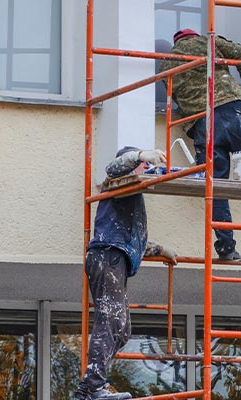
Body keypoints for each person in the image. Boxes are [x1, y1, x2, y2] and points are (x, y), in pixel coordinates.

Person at [75, 146, 178, 400]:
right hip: (107, 255)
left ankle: (94, 384)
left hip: (113, 256)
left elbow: (130, 240)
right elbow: (113, 167)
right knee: (110, 320)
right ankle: (91, 388)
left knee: (121, 329)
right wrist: (141, 156)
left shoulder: (130, 194)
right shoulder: (117, 180)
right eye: (143, 165)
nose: (147, 169)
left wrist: (159, 249)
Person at [161, 29, 241, 261]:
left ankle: (227, 247)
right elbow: (240, 53)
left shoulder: (166, 64)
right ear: (193, 36)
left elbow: (173, 98)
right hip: (233, 109)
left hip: (203, 122)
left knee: (214, 187)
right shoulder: (208, 42)